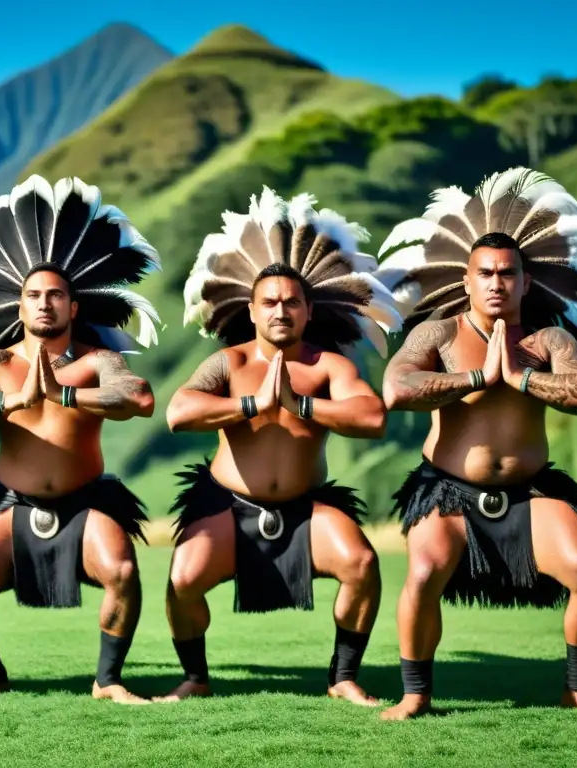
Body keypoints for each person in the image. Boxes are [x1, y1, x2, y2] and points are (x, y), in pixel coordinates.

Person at [159, 188, 405, 705]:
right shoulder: (228, 363)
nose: (281, 311)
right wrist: (251, 406)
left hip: (306, 506)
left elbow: (373, 417)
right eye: (269, 303)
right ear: (251, 311)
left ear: (308, 310)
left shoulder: (329, 366)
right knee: (182, 578)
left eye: (292, 303)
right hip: (227, 503)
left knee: (361, 564)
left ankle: (342, 677)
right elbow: (179, 412)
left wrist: (300, 406)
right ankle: (195, 678)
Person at [0, 174, 161, 704]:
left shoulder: (100, 361)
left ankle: (108, 681)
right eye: (34, 295)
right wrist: (10, 402)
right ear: (19, 305)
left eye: (56, 296)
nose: (45, 304)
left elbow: (138, 400)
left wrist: (63, 394)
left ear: (74, 307)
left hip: (88, 502)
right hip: (12, 503)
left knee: (122, 569)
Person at [374, 167, 577, 719]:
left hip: (532, 491)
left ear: (525, 282)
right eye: (485, 273)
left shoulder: (549, 340)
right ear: (466, 281)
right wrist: (476, 380)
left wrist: (520, 378)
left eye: (507, 273)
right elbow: (396, 388)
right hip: (446, 491)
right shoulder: (437, 334)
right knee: (422, 573)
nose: (496, 283)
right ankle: (416, 694)